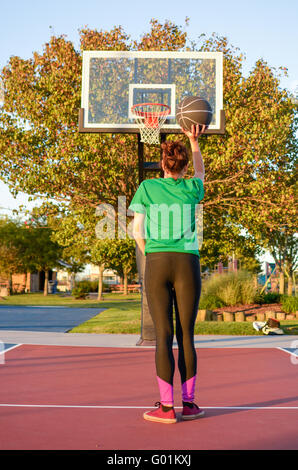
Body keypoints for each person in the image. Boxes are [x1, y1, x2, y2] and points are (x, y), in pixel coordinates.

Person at [128, 124, 207, 424]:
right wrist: (194, 141)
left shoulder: (147, 188)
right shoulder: (192, 188)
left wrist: (152, 253)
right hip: (187, 262)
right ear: (184, 166)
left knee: (163, 335)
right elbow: (201, 173)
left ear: (162, 163)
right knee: (187, 335)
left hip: (158, 261)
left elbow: (137, 230)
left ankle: (165, 408)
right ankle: (189, 404)